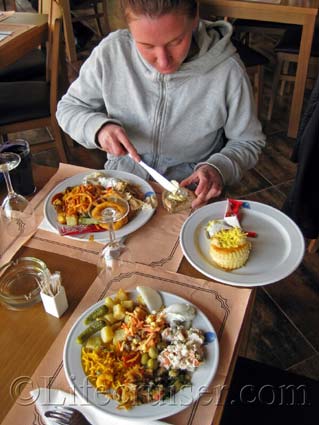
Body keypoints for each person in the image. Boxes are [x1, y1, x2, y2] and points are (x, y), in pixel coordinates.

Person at [56, 0, 266, 208]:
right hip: (122, 182)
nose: (163, 61)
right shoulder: (112, 52)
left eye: (176, 41)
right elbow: (69, 108)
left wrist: (217, 168)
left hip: (191, 191)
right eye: (146, 46)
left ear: (194, 19)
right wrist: (99, 129)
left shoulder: (227, 71)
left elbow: (248, 141)